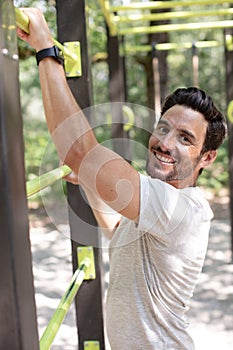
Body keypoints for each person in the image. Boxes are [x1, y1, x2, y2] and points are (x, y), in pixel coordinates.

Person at [17, 8, 226, 350]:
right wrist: (89, 178)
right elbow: (118, 232)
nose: (165, 143)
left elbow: (78, 150)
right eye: (163, 128)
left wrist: (45, 48)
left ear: (206, 157)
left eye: (185, 138)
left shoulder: (181, 209)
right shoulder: (156, 204)